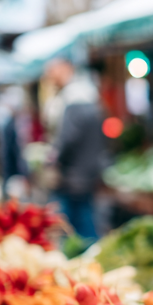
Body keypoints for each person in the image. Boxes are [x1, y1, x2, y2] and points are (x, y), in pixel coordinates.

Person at [43, 58, 106, 241]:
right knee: (85, 221)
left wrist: (53, 160)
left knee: (73, 228)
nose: (50, 78)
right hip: (87, 174)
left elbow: (67, 139)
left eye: (52, 72)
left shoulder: (73, 100)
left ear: (64, 68)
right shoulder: (91, 98)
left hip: (73, 178)